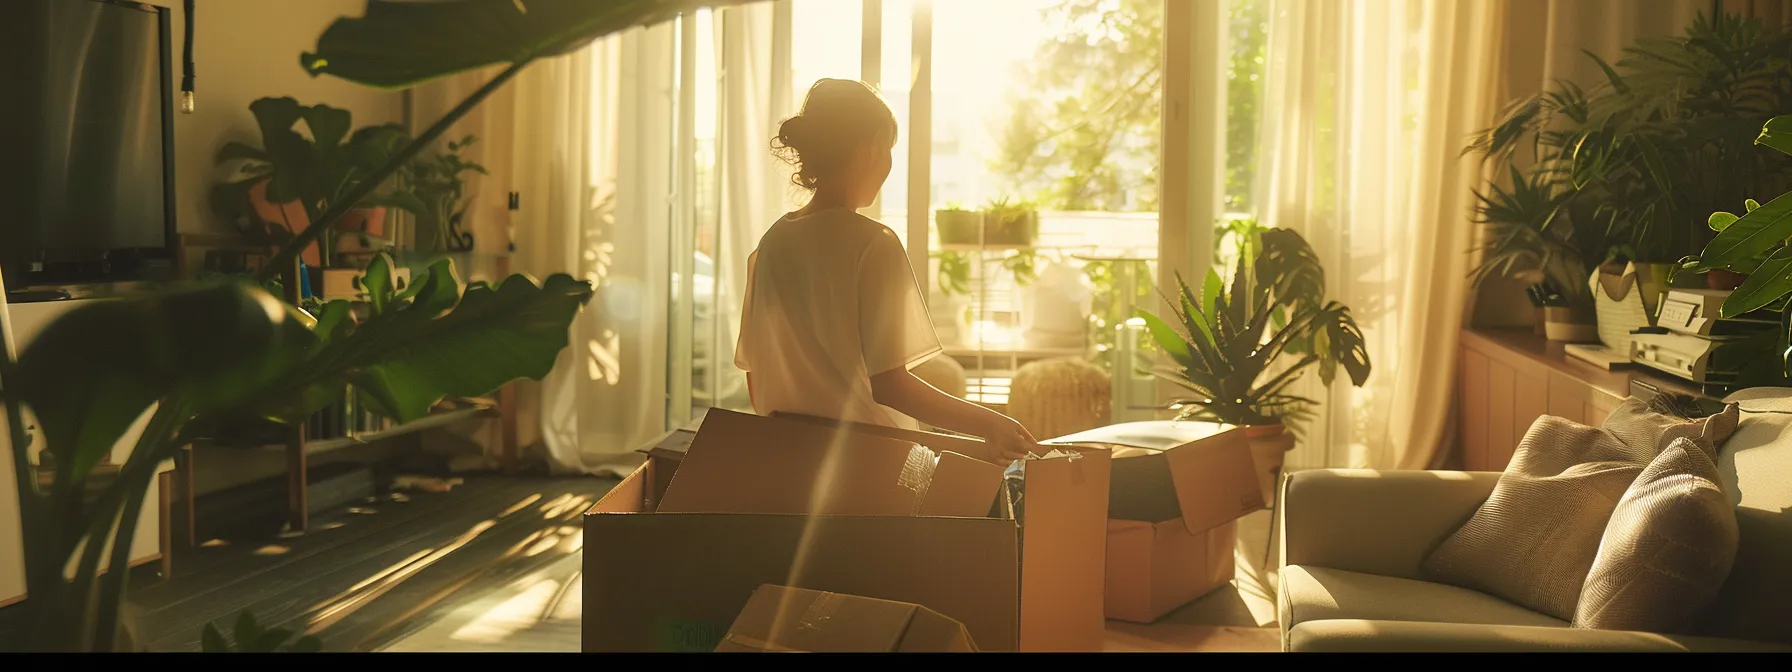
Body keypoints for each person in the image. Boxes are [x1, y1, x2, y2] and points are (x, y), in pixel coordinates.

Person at [734, 79, 1037, 464]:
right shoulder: (873, 243)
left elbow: (756, 379)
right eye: (889, 150)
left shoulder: (771, 243)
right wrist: (990, 422)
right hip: (870, 466)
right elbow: (892, 387)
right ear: (872, 147)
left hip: (787, 460)